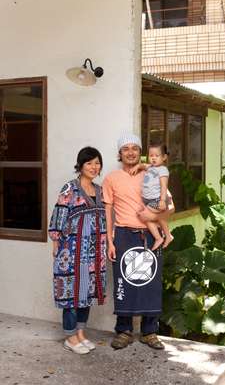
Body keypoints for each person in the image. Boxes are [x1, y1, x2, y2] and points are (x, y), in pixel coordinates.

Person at [102, 132, 173, 351]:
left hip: (150, 236)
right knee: (124, 282)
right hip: (123, 234)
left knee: (151, 282)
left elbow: (169, 207)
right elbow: (108, 210)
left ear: (140, 152)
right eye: (126, 149)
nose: (130, 152)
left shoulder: (152, 173)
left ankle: (149, 332)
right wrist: (110, 241)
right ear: (120, 154)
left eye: (135, 148)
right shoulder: (111, 178)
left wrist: (149, 217)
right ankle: (123, 331)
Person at [48, 146, 107, 355]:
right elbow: (59, 214)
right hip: (71, 252)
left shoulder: (100, 190)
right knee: (72, 294)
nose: (94, 167)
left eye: (97, 163)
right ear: (80, 166)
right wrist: (56, 242)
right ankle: (70, 337)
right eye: (89, 163)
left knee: (87, 292)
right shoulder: (69, 189)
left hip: (94, 253)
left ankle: (81, 333)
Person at [130, 143, 174, 251]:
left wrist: (162, 201)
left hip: (157, 199)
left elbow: (164, 186)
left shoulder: (163, 170)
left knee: (145, 215)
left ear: (164, 157)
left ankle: (164, 236)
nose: (153, 158)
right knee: (147, 218)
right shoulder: (150, 167)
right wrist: (137, 166)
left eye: (157, 156)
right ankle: (163, 236)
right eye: (151, 155)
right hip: (148, 200)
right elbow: (143, 165)